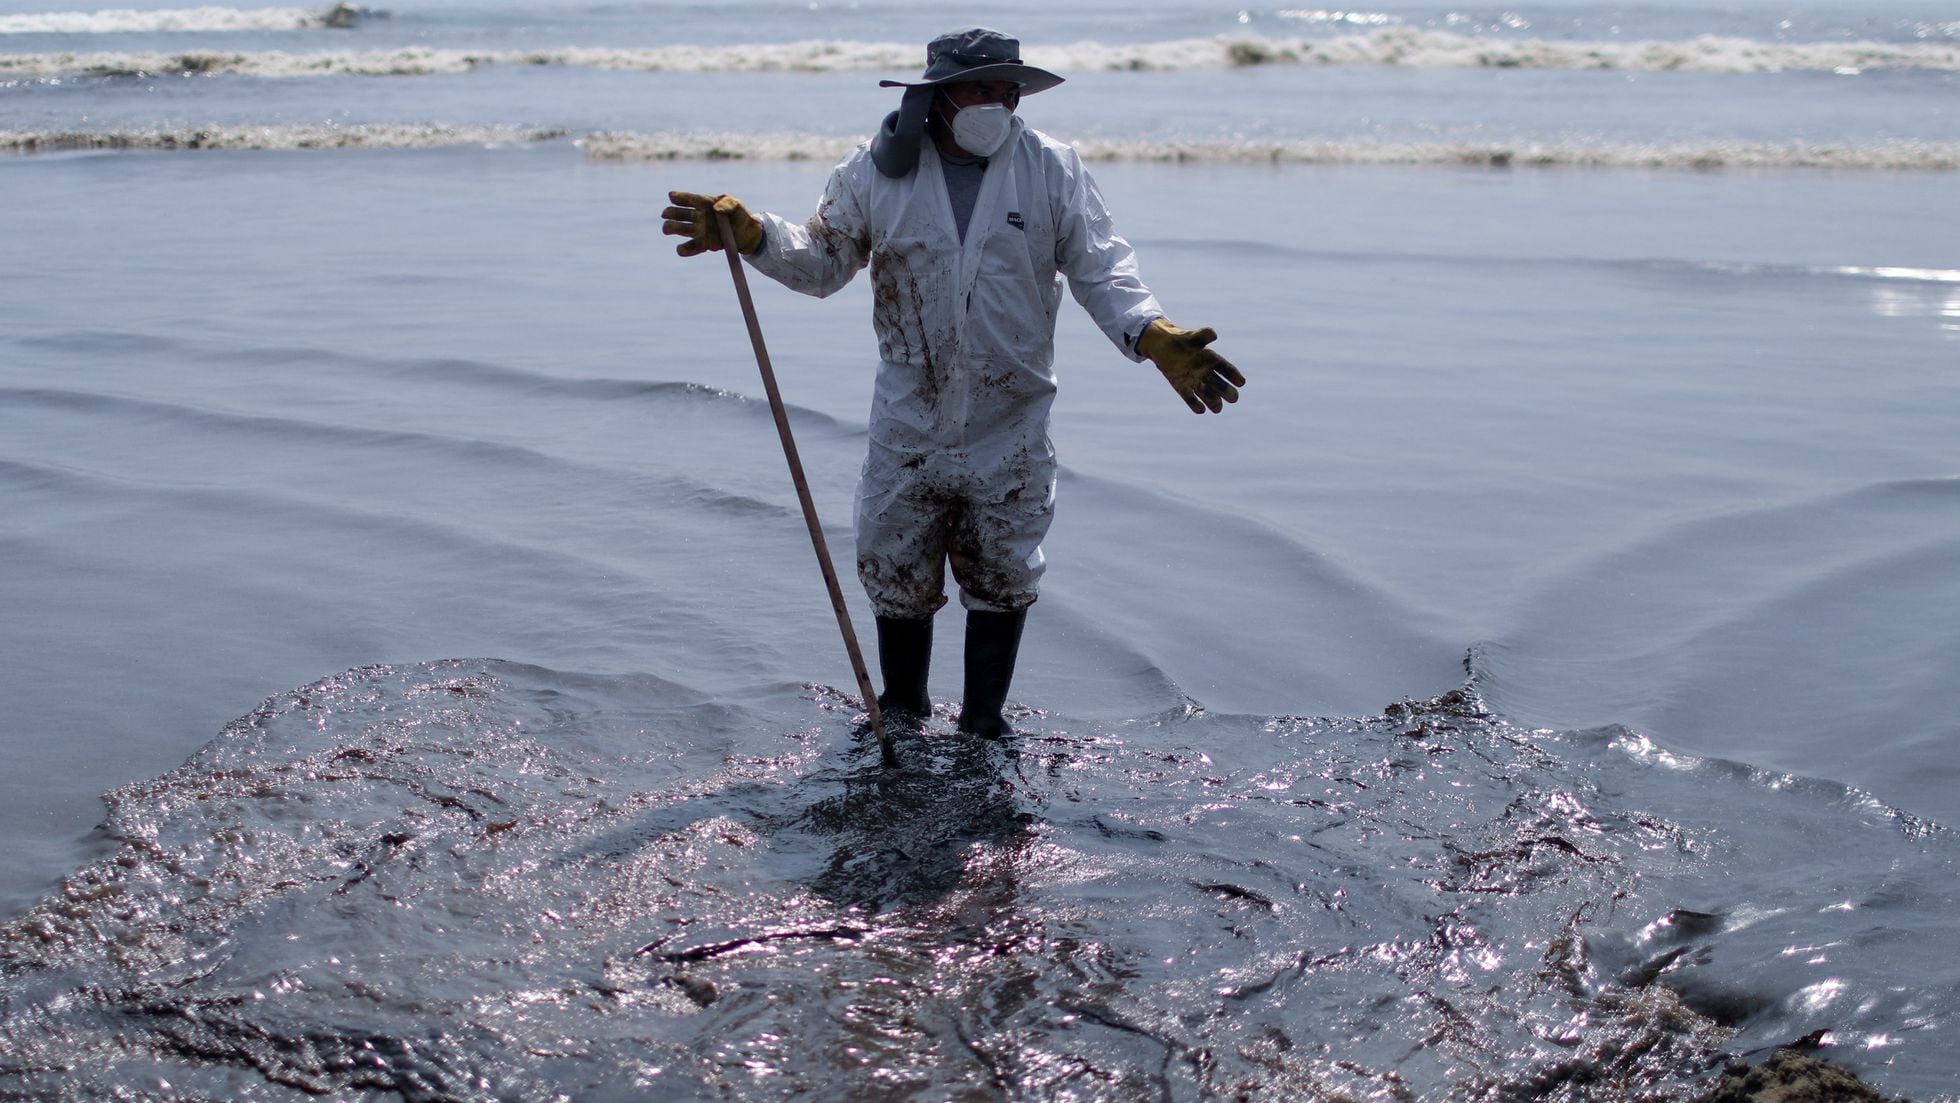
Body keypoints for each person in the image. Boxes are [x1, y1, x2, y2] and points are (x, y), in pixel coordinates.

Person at [663, 27, 1245, 739]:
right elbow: (822, 260)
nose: (998, 102)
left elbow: (1102, 269)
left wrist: (1153, 336)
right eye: (981, 88)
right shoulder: (877, 173)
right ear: (938, 97)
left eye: (1009, 89)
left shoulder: (1050, 168)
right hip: (910, 416)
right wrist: (755, 236)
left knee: (1004, 572)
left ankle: (984, 720)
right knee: (896, 566)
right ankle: (903, 710)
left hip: (1013, 418)